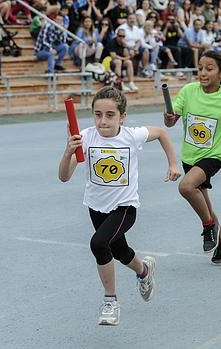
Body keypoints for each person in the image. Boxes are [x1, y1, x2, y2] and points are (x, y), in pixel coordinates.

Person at [58, 86, 181, 326]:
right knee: (120, 251)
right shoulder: (85, 137)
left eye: (110, 115)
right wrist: (67, 151)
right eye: (98, 114)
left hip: (125, 208)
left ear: (122, 116)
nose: (103, 121)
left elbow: (162, 134)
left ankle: (110, 301)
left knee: (99, 243)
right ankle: (144, 271)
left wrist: (173, 163)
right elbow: (64, 176)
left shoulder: (131, 136)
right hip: (96, 207)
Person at [163, 50, 221, 265]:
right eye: (200, 68)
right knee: (205, 204)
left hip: (213, 156)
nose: (203, 72)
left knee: (186, 187)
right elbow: (171, 122)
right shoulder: (189, 91)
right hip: (190, 157)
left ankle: (208, 227)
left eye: (209, 69)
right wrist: (169, 118)